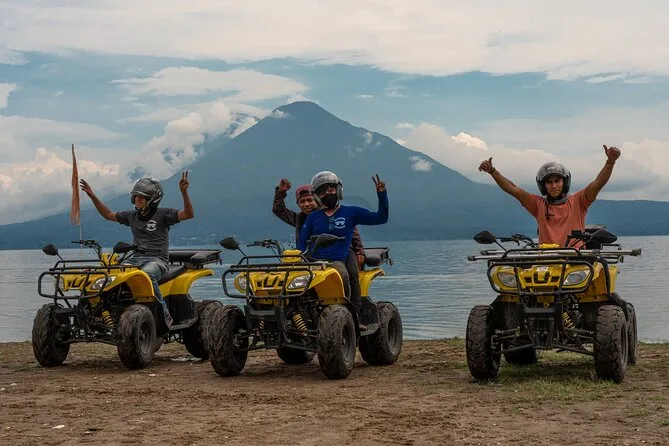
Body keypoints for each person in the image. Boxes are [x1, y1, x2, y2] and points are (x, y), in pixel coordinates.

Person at [79, 172, 194, 327]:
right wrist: (93, 196)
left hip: (157, 260)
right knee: (112, 274)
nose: (137, 199)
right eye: (136, 196)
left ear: (152, 199)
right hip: (134, 259)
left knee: (146, 275)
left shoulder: (163, 214)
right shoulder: (132, 216)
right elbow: (108, 215)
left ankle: (163, 313)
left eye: (142, 197)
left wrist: (184, 192)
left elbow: (188, 214)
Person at [478, 145, 621, 247]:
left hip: (576, 260)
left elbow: (598, 183)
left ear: (564, 182)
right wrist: (493, 171)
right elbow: (513, 189)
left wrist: (610, 162)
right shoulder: (538, 204)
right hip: (545, 260)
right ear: (543, 185)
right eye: (549, 182)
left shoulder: (579, 201)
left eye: (557, 181)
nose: (554, 186)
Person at [298, 172, 388, 328]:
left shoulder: (351, 212)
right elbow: (302, 242)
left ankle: (353, 315)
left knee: (346, 275)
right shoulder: (313, 217)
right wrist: (297, 258)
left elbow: (381, 218)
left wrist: (382, 194)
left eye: (330, 189)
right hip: (314, 260)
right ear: (317, 196)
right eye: (322, 192)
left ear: (338, 190)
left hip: (339, 258)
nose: (327, 194)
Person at [272, 178, 367, 269]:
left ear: (317, 199)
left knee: (351, 271)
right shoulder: (299, 219)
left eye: (309, 200)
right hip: (309, 258)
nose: (306, 204)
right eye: (302, 201)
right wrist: (281, 192)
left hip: (339, 254)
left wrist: (360, 252)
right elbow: (279, 210)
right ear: (298, 204)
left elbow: (353, 232)